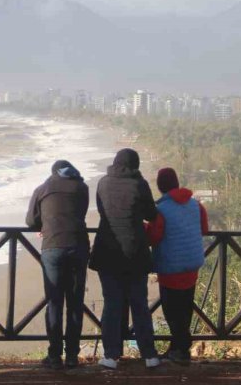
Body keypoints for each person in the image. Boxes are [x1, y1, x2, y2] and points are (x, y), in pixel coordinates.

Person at [89, 148, 160, 369]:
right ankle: (148, 354)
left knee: (112, 303)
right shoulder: (140, 185)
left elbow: (102, 211)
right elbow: (151, 214)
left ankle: (111, 354)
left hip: (108, 251)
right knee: (139, 303)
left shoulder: (103, 183)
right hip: (135, 252)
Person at [26, 160, 90, 369]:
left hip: (53, 247)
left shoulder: (42, 188)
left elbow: (30, 221)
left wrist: (43, 225)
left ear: (53, 173)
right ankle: (72, 355)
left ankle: (54, 355)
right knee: (75, 302)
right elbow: (79, 213)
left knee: (54, 302)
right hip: (78, 246)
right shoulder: (82, 188)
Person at [145, 168, 208, 365]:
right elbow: (204, 229)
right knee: (185, 307)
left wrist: (144, 227)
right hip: (191, 265)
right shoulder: (196, 205)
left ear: (160, 186)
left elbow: (153, 237)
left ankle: (181, 349)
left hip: (170, 266)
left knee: (171, 310)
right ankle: (179, 347)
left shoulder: (160, 210)